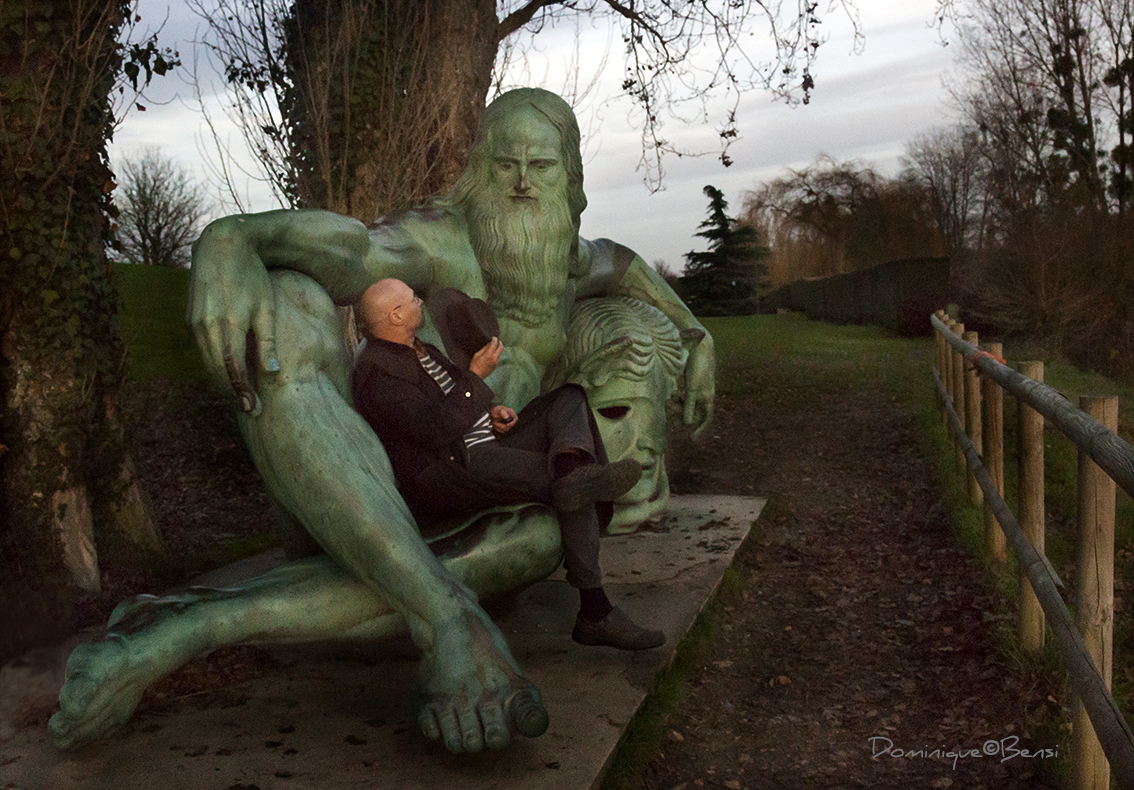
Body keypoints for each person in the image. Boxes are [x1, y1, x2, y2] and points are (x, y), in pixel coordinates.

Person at [51, 87, 713, 756]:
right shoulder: (445, 240)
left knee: (556, 527)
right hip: (365, 484)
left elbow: (626, 266)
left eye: (540, 168)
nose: (519, 184)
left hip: (481, 501)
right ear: (480, 170)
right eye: (504, 164)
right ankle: (446, 617)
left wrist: (696, 336)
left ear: (570, 180)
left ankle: (182, 626)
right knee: (289, 295)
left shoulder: (569, 263)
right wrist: (234, 237)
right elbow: (350, 247)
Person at [352, 278, 664, 649]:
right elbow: (434, 429)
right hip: (457, 469)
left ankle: (569, 473)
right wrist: (475, 378)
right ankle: (595, 611)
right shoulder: (377, 374)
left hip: (485, 442)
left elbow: (455, 401)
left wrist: (489, 410)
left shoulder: (421, 349)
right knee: (574, 484)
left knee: (569, 398)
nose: (419, 302)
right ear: (396, 314)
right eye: (413, 299)